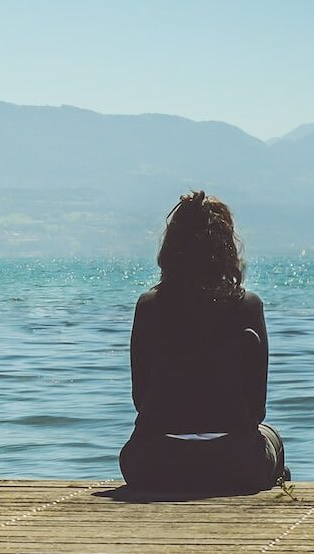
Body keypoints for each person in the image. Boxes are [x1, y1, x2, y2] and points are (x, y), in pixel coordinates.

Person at [119, 191, 289, 494]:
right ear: (227, 248)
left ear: (171, 248)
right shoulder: (248, 306)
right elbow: (257, 409)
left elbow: (140, 399)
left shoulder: (148, 307)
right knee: (271, 437)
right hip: (236, 463)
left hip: (153, 463)